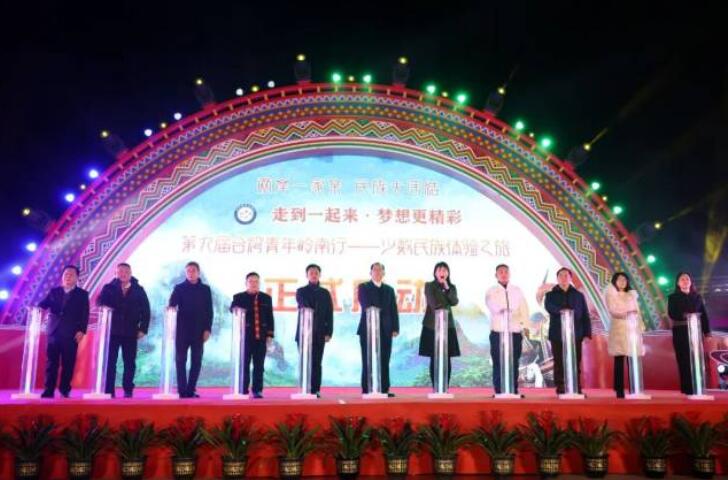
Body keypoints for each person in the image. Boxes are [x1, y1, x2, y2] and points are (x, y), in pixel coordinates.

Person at [97, 263, 151, 398]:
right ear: (115, 273)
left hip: (131, 331)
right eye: (120, 271)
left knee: (129, 362)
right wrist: (104, 307)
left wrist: (143, 329)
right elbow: (99, 302)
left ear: (130, 273)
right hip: (112, 331)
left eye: (126, 271)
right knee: (110, 362)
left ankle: (128, 389)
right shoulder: (108, 288)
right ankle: (109, 390)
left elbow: (146, 310)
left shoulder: (138, 289)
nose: (123, 274)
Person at [39, 265, 90, 398]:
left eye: (71, 274)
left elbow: (85, 314)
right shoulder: (54, 291)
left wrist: (81, 330)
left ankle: (64, 389)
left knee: (68, 363)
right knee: (51, 363)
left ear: (77, 278)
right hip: (53, 331)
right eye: (66, 274)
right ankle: (48, 390)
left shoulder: (82, 294)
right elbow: (42, 305)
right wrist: (35, 309)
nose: (68, 276)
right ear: (62, 277)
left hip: (71, 333)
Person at [543, 267, 591, 394]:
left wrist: (587, 333)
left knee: (575, 361)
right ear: (557, 278)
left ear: (570, 278)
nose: (563, 278)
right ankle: (561, 387)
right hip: (557, 334)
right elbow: (549, 307)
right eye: (561, 275)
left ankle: (575, 386)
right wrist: (562, 311)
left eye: (566, 275)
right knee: (559, 362)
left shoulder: (579, 295)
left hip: (576, 334)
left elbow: (585, 314)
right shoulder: (550, 295)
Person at [169, 261, 213, 398]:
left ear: (198, 273)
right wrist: (170, 308)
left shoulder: (205, 289)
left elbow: (209, 311)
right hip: (182, 330)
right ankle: (182, 390)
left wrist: (207, 329)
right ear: (185, 273)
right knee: (180, 360)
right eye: (188, 271)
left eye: (193, 270)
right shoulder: (179, 288)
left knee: (196, 361)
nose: (191, 273)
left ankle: (191, 389)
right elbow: (172, 305)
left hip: (199, 331)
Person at [485, 264, 530, 395]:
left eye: (506, 272)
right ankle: (499, 390)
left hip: (514, 332)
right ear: (496, 275)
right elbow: (491, 305)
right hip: (498, 332)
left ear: (509, 274)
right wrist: (504, 311)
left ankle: (512, 389)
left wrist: (525, 326)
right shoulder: (491, 291)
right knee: (498, 361)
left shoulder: (517, 290)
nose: (504, 274)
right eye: (501, 272)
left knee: (514, 361)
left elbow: (524, 309)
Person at [230, 272, 275, 399]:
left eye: (256, 281)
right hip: (245, 337)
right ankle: (243, 389)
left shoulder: (266, 298)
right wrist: (236, 309)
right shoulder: (239, 297)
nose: (253, 284)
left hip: (261, 337)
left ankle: (257, 390)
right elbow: (232, 309)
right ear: (246, 283)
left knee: (259, 365)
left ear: (259, 283)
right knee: (244, 364)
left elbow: (270, 317)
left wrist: (270, 335)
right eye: (251, 281)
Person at [357, 262, 399, 397]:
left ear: (384, 273)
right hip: (368, 329)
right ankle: (367, 388)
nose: (377, 272)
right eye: (375, 270)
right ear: (370, 273)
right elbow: (366, 305)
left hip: (386, 330)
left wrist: (395, 327)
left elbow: (393, 309)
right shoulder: (364, 287)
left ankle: (384, 389)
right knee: (368, 358)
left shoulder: (389, 289)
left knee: (385, 359)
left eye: (380, 270)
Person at [667, 272, 711, 395]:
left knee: (697, 359)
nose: (685, 281)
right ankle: (687, 389)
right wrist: (686, 316)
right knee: (684, 360)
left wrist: (707, 332)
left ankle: (698, 387)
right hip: (680, 332)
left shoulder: (697, 297)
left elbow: (704, 315)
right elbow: (672, 313)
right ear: (678, 283)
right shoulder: (673, 297)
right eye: (682, 279)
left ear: (691, 282)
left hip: (695, 332)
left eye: (687, 279)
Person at [419, 261, 460, 389]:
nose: (442, 272)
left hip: (448, 326)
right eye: (439, 270)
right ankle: (436, 387)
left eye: (444, 270)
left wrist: (447, 287)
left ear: (448, 273)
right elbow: (432, 303)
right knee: (434, 356)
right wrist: (441, 308)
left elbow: (454, 301)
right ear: (435, 273)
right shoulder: (429, 285)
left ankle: (445, 387)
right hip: (432, 325)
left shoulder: (451, 287)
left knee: (447, 357)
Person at [604, 272, 644, 398]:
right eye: (619, 279)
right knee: (619, 359)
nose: (622, 282)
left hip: (632, 329)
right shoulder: (611, 294)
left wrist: (640, 325)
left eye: (624, 280)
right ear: (614, 281)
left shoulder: (631, 295)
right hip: (619, 329)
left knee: (633, 359)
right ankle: (619, 390)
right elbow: (612, 311)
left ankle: (635, 388)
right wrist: (627, 314)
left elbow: (638, 312)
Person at [295, 264, 334, 397]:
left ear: (319, 275)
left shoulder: (325, 293)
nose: (314, 275)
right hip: (304, 333)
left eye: (316, 273)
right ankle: (304, 388)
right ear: (307, 275)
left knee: (317, 362)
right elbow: (305, 306)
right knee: (304, 361)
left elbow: (329, 313)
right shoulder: (301, 291)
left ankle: (315, 389)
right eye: (311, 273)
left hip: (319, 333)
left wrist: (329, 332)